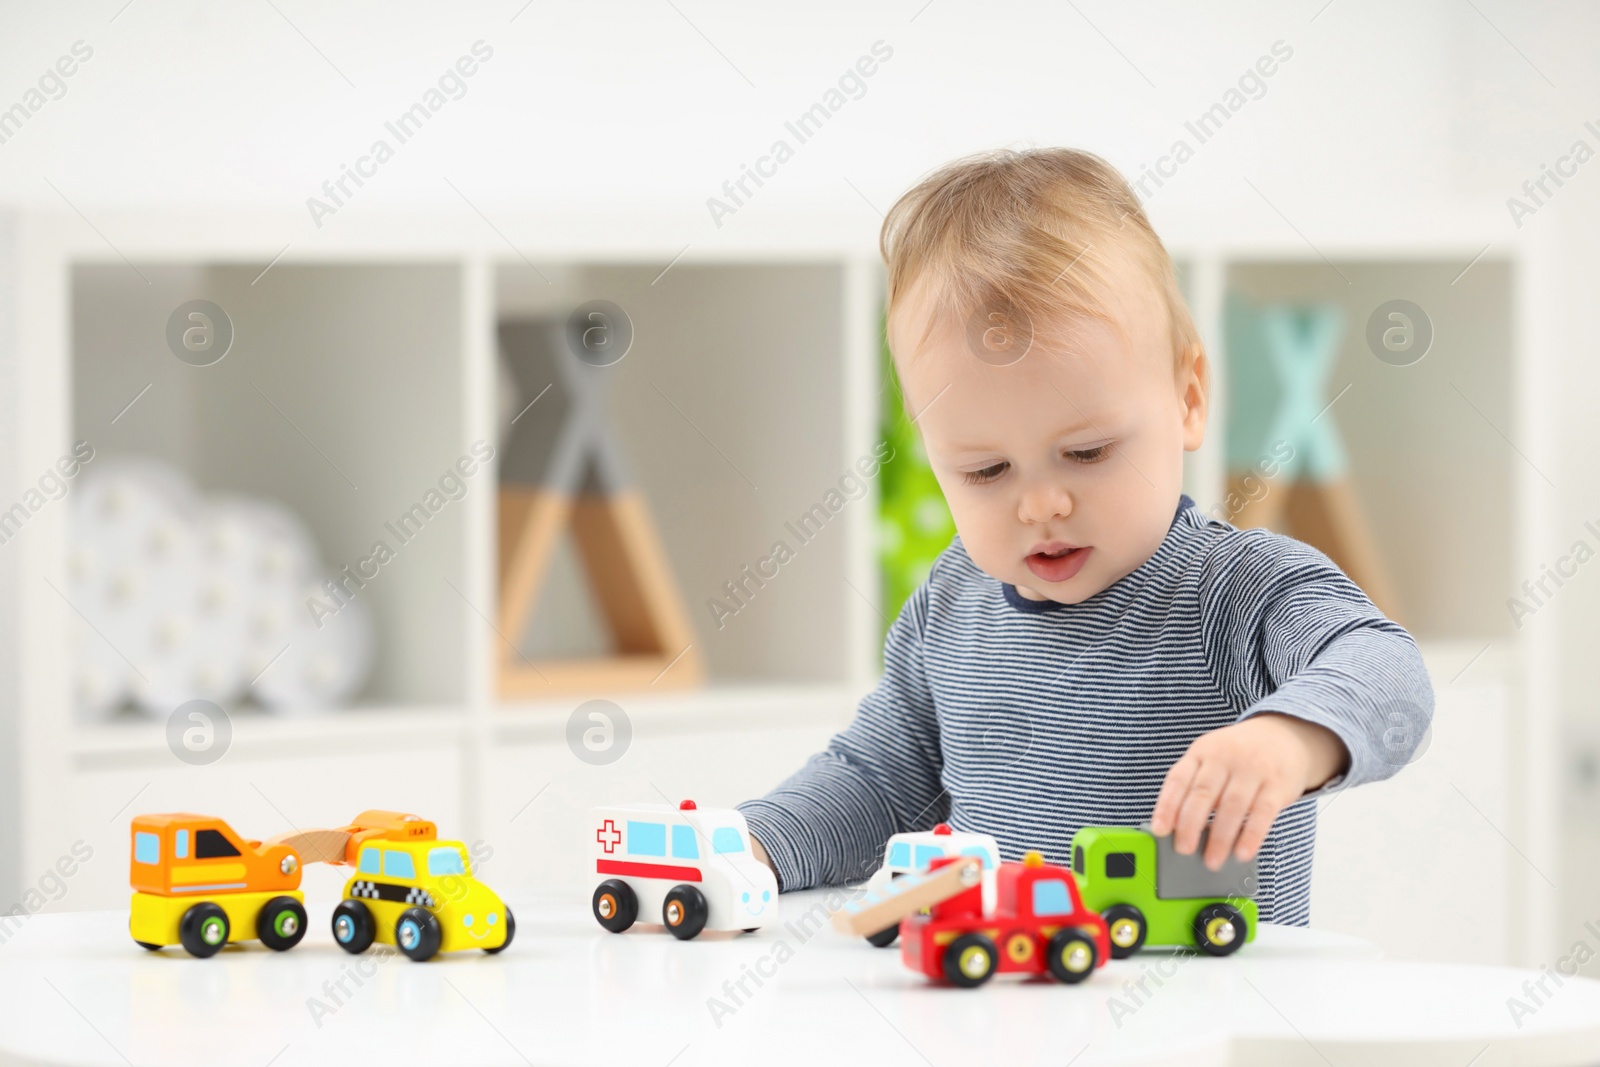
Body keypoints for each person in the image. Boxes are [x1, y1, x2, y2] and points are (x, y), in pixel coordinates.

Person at [736, 147, 1433, 924]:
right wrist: (754, 845)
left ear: (1189, 397)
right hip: (1002, 1008)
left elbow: (1387, 670)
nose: (1041, 503)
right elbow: (875, 781)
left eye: (1087, 453)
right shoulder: (953, 604)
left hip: (1201, 1017)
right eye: (986, 470)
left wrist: (1289, 738)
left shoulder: (1237, 591)